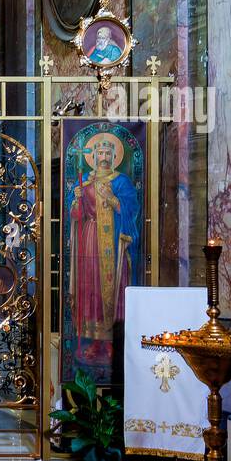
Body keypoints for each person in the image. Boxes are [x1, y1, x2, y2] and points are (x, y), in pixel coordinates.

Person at [69, 134, 139, 368]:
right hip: (90, 240)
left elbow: (132, 208)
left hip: (113, 242)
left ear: (114, 156)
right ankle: (95, 341)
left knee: (112, 288)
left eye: (108, 153)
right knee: (91, 287)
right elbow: (76, 217)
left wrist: (114, 200)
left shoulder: (121, 181)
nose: (104, 157)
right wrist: (76, 201)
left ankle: (111, 341)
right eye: (100, 153)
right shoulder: (84, 182)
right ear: (94, 156)